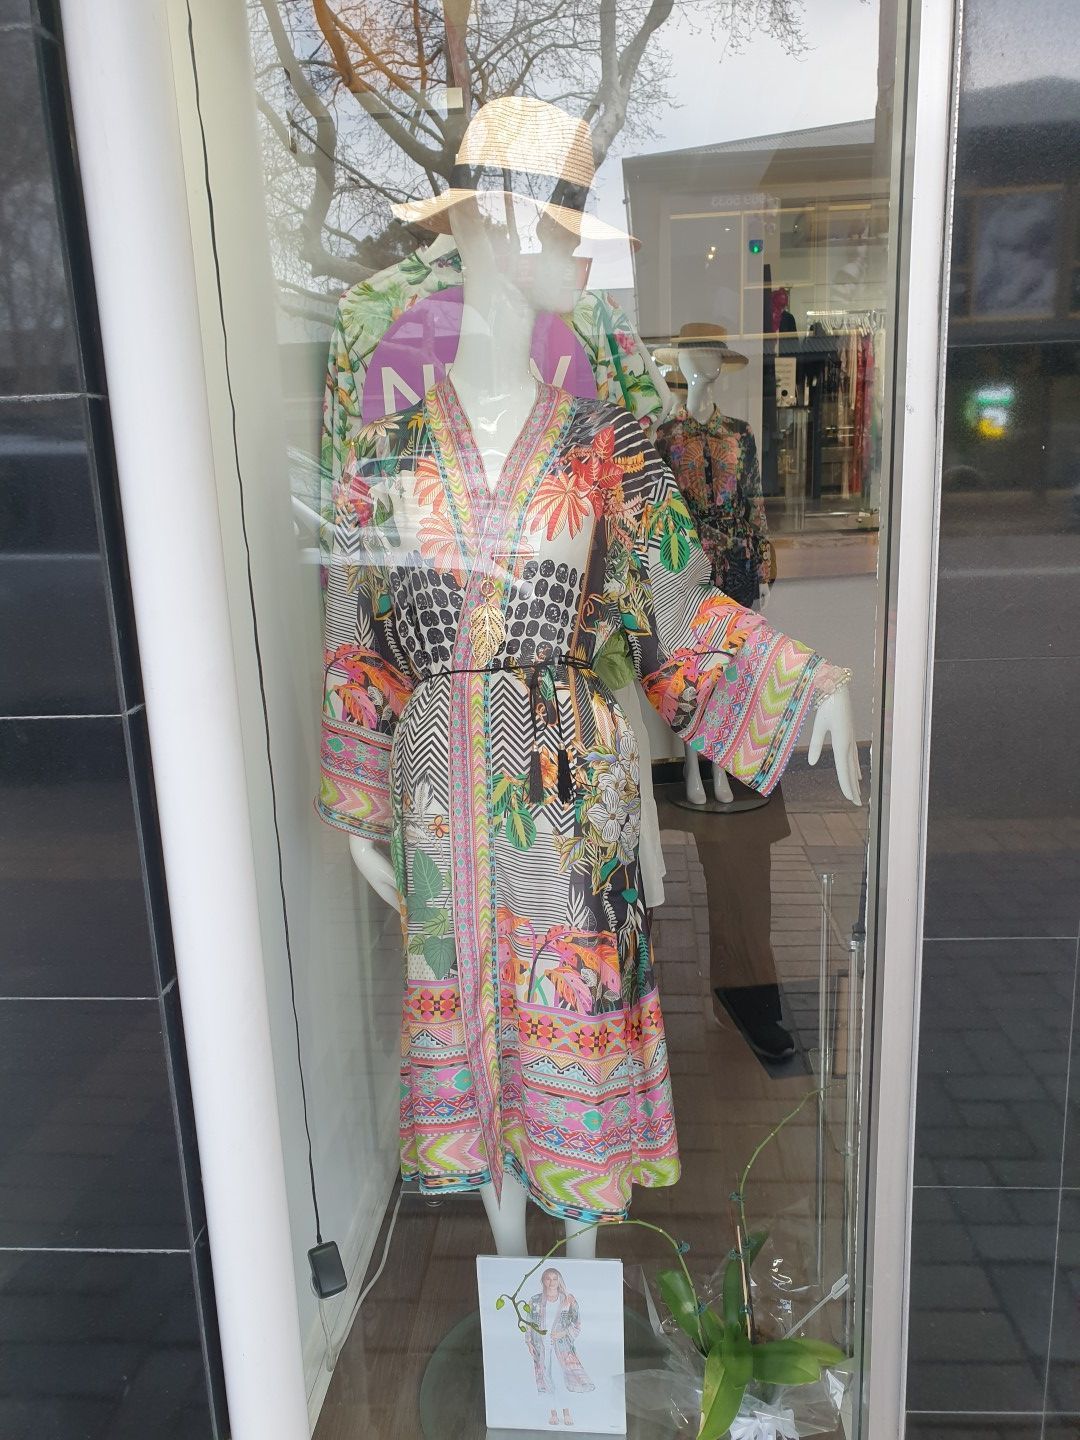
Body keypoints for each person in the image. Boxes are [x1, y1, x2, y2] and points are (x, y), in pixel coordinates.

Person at [523, 1267, 595, 1427]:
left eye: (555, 1278)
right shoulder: (534, 1300)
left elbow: (577, 1324)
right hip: (541, 1346)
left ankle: (566, 1411)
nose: (551, 1282)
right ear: (543, 1281)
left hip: (561, 1348)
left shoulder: (568, 1300)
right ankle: (553, 1412)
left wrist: (562, 1333)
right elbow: (528, 1322)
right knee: (546, 1378)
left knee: (561, 1378)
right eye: (548, 1278)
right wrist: (528, 1341)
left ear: (559, 1281)